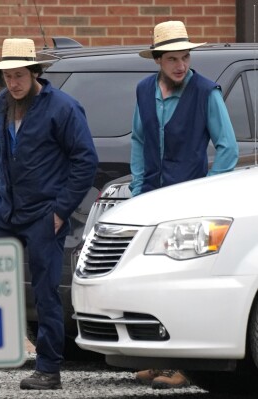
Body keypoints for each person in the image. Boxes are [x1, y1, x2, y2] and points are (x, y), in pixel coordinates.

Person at [0, 38, 99, 390]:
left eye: (19, 76)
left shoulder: (62, 107)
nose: (13, 83)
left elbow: (85, 161)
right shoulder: (1, 105)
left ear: (34, 73)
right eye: (7, 77)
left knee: (45, 291)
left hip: (45, 214)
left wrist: (61, 210)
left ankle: (48, 368)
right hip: (3, 212)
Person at [131, 21, 239, 389]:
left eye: (185, 57)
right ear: (158, 61)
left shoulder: (207, 92)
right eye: (173, 59)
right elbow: (138, 140)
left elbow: (229, 147)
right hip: (151, 199)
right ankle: (159, 360)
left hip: (190, 203)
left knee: (183, 283)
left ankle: (186, 367)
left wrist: (209, 192)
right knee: (151, 283)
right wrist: (136, 188)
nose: (181, 65)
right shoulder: (144, 91)